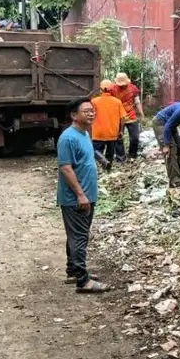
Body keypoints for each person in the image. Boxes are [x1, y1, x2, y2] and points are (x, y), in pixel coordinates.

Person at [57, 98, 110, 293]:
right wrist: (80, 195)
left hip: (87, 195)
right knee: (79, 237)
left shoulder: (84, 134)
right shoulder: (68, 138)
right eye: (86, 111)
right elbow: (65, 168)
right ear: (74, 115)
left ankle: (73, 270)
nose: (91, 113)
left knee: (77, 235)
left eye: (92, 110)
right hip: (76, 198)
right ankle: (83, 281)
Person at [90, 80, 127, 170]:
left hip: (98, 133)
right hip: (112, 133)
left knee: (95, 151)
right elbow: (123, 118)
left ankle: (101, 164)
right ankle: (107, 169)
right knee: (110, 153)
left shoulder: (94, 101)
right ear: (112, 89)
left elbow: (90, 116)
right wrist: (121, 131)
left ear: (100, 89)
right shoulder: (117, 102)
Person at [112, 71, 144, 161]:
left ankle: (132, 156)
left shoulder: (133, 88)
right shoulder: (112, 89)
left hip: (131, 115)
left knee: (135, 137)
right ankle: (120, 157)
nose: (122, 86)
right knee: (118, 138)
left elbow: (137, 102)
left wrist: (142, 114)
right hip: (118, 116)